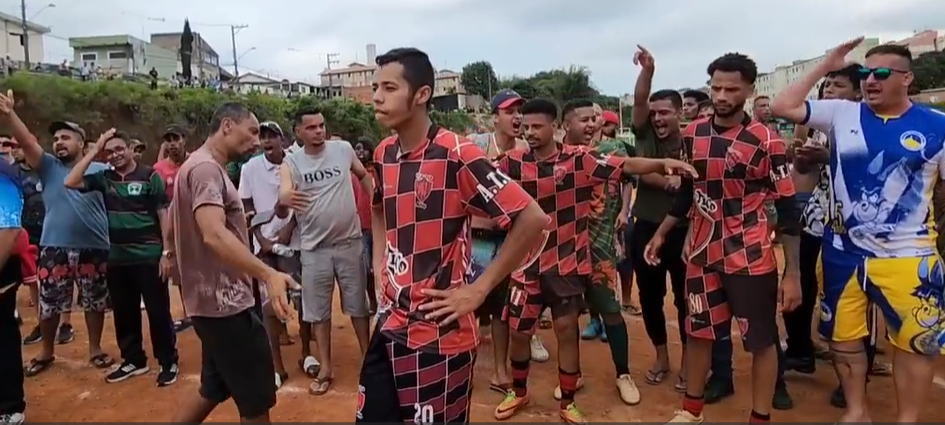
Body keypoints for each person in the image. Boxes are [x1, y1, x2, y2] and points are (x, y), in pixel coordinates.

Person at [354, 47, 548, 424]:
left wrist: (479, 290)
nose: (376, 96)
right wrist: (380, 264)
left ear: (422, 94)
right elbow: (379, 207)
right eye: (375, 87)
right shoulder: (383, 153)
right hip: (391, 321)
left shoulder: (456, 153)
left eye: (389, 87)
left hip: (439, 334)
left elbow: (531, 217)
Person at [771, 38, 945, 424]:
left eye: (881, 73)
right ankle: (856, 411)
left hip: (909, 258)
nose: (870, 80)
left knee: (916, 344)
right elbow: (782, 106)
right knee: (843, 338)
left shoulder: (938, 127)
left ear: (907, 79)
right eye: (866, 72)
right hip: (842, 253)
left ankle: (908, 418)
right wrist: (826, 64)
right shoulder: (842, 114)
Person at [495, 97, 696, 423]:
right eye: (525, 126)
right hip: (526, 263)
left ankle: (569, 402)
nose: (529, 132)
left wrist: (661, 165)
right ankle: (518, 392)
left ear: (555, 128)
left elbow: (626, 166)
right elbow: (477, 175)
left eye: (536, 126)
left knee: (566, 329)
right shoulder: (512, 163)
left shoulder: (581, 159)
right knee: (519, 331)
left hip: (567, 262)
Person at [645, 52, 801, 424]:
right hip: (701, 254)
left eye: (731, 88)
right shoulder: (693, 133)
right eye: (715, 87)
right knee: (699, 332)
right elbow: (686, 191)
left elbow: (790, 209)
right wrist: (661, 233)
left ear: (749, 90)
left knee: (760, 341)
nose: (721, 95)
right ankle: (691, 412)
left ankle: (759, 416)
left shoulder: (766, 140)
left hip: (749, 256)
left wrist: (792, 272)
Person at [169, 102, 296, 424]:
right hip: (225, 305)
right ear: (227, 125)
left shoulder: (196, 167)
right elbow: (212, 234)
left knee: (213, 388)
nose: (256, 141)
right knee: (255, 404)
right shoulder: (206, 170)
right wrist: (267, 273)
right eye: (251, 131)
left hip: (210, 303)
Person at [0, 90, 114, 377]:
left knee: (94, 301)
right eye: (56, 138)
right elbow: (26, 140)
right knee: (50, 304)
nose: (59, 142)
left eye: (66, 137)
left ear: (82, 142)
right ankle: (47, 351)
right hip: (54, 246)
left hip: (94, 245)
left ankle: (95, 349)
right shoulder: (48, 166)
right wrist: (10, 114)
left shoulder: (102, 169)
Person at [63, 129, 179, 386]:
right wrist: (94, 149)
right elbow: (70, 182)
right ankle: (134, 360)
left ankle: (168, 361)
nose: (114, 155)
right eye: (109, 151)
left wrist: (166, 253)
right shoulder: (104, 178)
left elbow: (163, 214)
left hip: (149, 256)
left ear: (130, 148)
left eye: (119, 149)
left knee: (158, 311)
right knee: (124, 313)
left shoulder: (150, 176)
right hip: (117, 256)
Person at [277, 108, 371, 396]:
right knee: (318, 313)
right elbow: (283, 196)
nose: (318, 131)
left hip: (349, 243)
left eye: (321, 125)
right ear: (298, 132)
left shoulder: (342, 150)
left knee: (359, 307)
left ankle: (369, 362)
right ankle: (327, 368)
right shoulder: (291, 161)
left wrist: (377, 202)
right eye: (311, 127)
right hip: (314, 249)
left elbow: (363, 174)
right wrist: (285, 198)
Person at [560, 99, 640, 406]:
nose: (592, 124)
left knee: (610, 310)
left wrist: (624, 211)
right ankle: (572, 376)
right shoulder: (554, 157)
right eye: (584, 119)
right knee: (566, 316)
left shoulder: (611, 152)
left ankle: (623, 374)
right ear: (566, 124)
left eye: (594, 118)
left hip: (600, 246)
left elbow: (632, 174)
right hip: (564, 249)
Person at [470, 90, 550, 392]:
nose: (517, 117)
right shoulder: (476, 145)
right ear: (495, 117)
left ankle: (501, 371)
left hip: (512, 239)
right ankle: (460, 366)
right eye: (509, 111)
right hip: (478, 237)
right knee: (471, 303)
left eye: (520, 111)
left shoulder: (527, 152)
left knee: (503, 308)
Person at [627, 47, 691, 393]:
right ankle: (662, 357)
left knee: (685, 299)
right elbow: (639, 101)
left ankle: (688, 365)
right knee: (650, 297)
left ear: (679, 113)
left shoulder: (694, 140)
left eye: (665, 112)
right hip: (646, 226)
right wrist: (648, 72)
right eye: (654, 114)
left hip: (683, 232)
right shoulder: (645, 135)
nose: (658, 119)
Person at [239, 121, 301, 387]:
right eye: (262, 136)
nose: (266, 141)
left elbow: (303, 198)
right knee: (269, 306)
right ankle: (276, 365)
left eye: (271, 136)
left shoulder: (296, 162)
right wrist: (261, 238)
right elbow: (247, 205)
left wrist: (289, 228)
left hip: (295, 242)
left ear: (281, 138)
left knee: (301, 300)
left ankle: (307, 355)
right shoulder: (250, 168)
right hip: (262, 246)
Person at [153, 125, 194, 334]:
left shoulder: (196, 162)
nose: (171, 143)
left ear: (183, 139)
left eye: (175, 138)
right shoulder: (159, 169)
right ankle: (189, 313)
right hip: (172, 225)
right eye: (167, 139)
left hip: (196, 223)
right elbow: (158, 202)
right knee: (178, 270)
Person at [0, 155, 29, 425]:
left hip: (1, 267)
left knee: (2, 338)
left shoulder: (3, 173)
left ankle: (10, 407)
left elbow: (9, 228)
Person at [352, 137, 377, 314]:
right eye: (357, 149)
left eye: (363, 149)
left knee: (380, 267)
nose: (360, 152)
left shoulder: (375, 172)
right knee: (366, 269)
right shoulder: (352, 174)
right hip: (361, 228)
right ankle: (374, 302)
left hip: (377, 226)